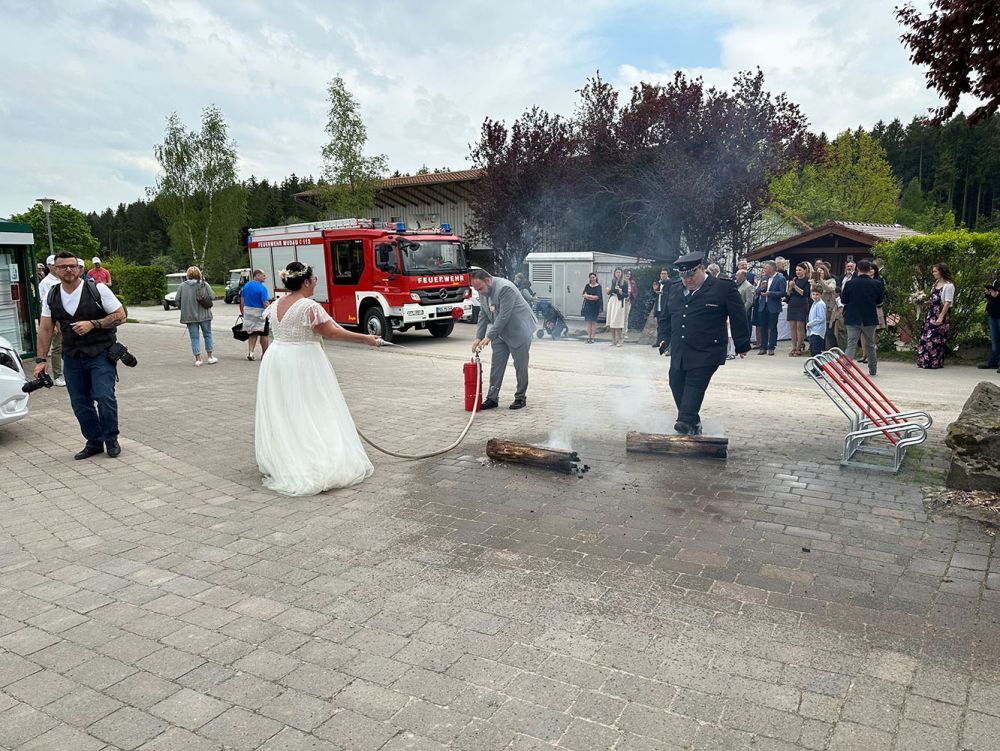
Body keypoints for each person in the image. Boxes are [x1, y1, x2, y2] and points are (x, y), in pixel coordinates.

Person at [256, 262, 379, 496]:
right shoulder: (308, 306)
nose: (316, 282)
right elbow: (331, 332)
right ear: (305, 282)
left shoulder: (276, 304)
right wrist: (364, 338)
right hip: (302, 360)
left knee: (287, 410)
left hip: (277, 357)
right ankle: (314, 458)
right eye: (313, 279)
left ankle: (287, 455)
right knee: (314, 406)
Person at [33, 251, 126, 459]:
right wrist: (41, 360)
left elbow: (121, 316)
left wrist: (94, 324)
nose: (68, 270)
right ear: (54, 270)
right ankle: (94, 441)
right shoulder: (52, 295)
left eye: (72, 266)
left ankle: (111, 438)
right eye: (63, 266)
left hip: (101, 352)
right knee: (79, 401)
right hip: (72, 355)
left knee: (103, 396)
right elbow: (46, 328)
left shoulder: (97, 289)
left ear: (80, 269)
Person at [656, 252, 750, 435]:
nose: (687, 280)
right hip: (681, 348)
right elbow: (665, 317)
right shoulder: (674, 289)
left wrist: (742, 344)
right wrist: (663, 338)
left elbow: (738, 316)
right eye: (683, 276)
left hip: (708, 350)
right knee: (675, 382)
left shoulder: (722, 288)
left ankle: (684, 421)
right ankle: (693, 422)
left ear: (701, 268)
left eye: (691, 275)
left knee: (695, 383)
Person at [471, 269, 537, 410]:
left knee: (520, 366)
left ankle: (520, 397)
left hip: (519, 330)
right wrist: (478, 336)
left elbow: (503, 316)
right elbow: (483, 313)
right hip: (500, 332)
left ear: (488, 281)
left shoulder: (505, 288)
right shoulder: (483, 292)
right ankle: (492, 398)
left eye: (480, 288)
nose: (479, 292)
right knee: (497, 365)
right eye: (477, 289)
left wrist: (489, 336)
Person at [841, 259, 884, 376]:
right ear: (869, 269)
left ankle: (846, 368)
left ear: (857, 269)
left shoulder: (850, 283)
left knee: (851, 344)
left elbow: (844, 300)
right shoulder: (877, 283)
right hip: (869, 317)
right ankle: (872, 368)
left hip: (852, 316)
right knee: (870, 344)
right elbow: (880, 301)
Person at [175, 266, 217, 366]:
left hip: (190, 316)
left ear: (188, 275)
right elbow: (212, 296)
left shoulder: (182, 286)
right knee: (207, 335)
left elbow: (177, 300)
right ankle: (210, 357)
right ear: (199, 274)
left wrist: (184, 307)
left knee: (194, 337)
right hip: (205, 315)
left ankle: (198, 359)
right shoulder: (204, 284)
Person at [917, 263, 956, 369]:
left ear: (941, 272)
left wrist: (941, 317)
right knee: (926, 336)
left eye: (935, 271)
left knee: (936, 338)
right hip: (931, 313)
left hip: (940, 313)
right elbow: (933, 299)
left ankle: (935, 362)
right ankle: (924, 361)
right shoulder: (935, 283)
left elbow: (947, 302)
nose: (933, 273)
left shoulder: (949, 286)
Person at [37, 254, 65, 387]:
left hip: (66, 317)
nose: (56, 267)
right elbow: (44, 304)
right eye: (54, 265)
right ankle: (58, 375)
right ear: (49, 266)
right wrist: (51, 324)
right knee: (57, 347)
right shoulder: (45, 283)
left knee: (67, 345)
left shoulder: (63, 279)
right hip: (55, 318)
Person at [755, 261, 786, 355]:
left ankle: (771, 346)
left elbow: (782, 293)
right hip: (763, 305)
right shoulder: (764, 278)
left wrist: (770, 293)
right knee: (763, 327)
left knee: (772, 327)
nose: (764, 270)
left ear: (772, 268)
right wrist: (761, 288)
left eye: (766, 268)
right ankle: (763, 346)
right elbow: (757, 291)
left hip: (773, 306)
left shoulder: (780, 278)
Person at [240, 269, 271, 361]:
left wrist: (243, 311)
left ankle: (251, 352)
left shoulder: (246, 286)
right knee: (263, 334)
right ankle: (265, 354)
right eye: (263, 275)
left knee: (252, 333)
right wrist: (270, 311)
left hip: (248, 311)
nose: (264, 277)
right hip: (260, 313)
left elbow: (242, 299)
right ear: (257, 276)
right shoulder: (262, 288)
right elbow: (265, 302)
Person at [785, 263, 812, 356]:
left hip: (801, 303)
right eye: (797, 270)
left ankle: (798, 347)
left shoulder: (807, 281)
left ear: (805, 270)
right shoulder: (794, 279)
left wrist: (795, 286)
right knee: (792, 326)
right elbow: (788, 294)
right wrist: (790, 287)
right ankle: (793, 346)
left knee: (799, 326)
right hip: (792, 303)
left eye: (800, 270)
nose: (798, 272)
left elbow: (804, 293)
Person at [980, 270, 1000, 372]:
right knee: (995, 340)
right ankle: (993, 362)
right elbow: (992, 298)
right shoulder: (996, 281)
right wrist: (989, 293)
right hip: (993, 312)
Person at [605, 267, 627, 347]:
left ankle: (620, 339)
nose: (618, 274)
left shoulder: (624, 282)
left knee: (616, 322)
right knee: (611, 322)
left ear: (621, 273)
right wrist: (609, 292)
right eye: (616, 272)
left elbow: (626, 294)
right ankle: (613, 340)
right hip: (612, 301)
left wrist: (621, 292)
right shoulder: (613, 281)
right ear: (614, 273)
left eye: (619, 272)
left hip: (619, 302)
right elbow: (612, 291)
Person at [651, 268, 671, 349]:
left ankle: (666, 344)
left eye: (665, 273)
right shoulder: (659, 283)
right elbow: (654, 295)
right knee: (659, 326)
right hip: (658, 307)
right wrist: (655, 291)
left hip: (665, 308)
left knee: (666, 327)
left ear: (667, 275)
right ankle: (659, 342)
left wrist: (663, 293)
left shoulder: (670, 283)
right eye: (662, 273)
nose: (663, 275)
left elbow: (672, 294)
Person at [582, 272, 603, 344]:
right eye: (591, 278)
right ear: (589, 279)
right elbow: (583, 294)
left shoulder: (598, 286)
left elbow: (597, 297)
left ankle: (593, 337)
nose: (592, 279)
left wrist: (589, 296)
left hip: (595, 306)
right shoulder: (587, 286)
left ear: (596, 278)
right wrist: (591, 297)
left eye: (593, 277)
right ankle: (589, 337)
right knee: (588, 321)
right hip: (588, 305)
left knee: (593, 321)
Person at [806, 287, 827, 357]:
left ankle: (818, 367)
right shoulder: (814, 303)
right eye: (813, 294)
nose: (815, 296)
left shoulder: (820, 304)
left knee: (816, 351)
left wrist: (810, 324)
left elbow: (821, 318)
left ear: (821, 295)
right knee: (812, 350)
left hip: (818, 331)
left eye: (817, 294)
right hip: (813, 330)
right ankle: (815, 366)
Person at [623, 269, 637, 337]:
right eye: (626, 273)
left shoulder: (632, 282)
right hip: (620, 302)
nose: (628, 275)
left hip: (628, 302)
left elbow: (634, 292)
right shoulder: (620, 282)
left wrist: (630, 297)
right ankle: (619, 333)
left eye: (629, 274)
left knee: (626, 318)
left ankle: (624, 333)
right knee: (620, 318)